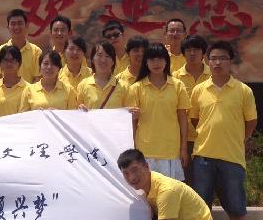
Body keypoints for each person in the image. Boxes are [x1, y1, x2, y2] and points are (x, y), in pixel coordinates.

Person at [190, 41, 258, 220]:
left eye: (222, 58)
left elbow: (251, 121)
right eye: (213, 58)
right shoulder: (199, 90)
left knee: (236, 204)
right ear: (208, 62)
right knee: (202, 204)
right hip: (203, 156)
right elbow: (195, 119)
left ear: (230, 62)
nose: (217, 62)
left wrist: (240, 139)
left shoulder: (243, 90)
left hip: (232, 157)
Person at [129, 43, 190, 180]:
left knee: (169, 191)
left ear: (166, 61)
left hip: (170, 150)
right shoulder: (136, 88)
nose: (156, 63)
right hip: (144, 150)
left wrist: (183, 148)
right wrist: (132, 148)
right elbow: (133, 122)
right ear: (146, 62)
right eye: (152, 59)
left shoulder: (178, 85)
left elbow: (182, 118)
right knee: (145, 190)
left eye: (160, 59)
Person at [172, 35, 210, 186]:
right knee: (185, 182)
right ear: (183, 53)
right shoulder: (175, 78)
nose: (192, 53)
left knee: (206, 184)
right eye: (188, 50)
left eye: (196, 49)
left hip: (208, 138)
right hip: (183, 139)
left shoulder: (214, 76)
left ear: (203, 52)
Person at [77, 41, 131, 110]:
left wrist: (133, 113)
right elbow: (75, 112)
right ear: (92, 59)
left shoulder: (124, 87)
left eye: (107, 56)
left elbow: (129, 113)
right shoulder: (83, 85)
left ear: (113, 61)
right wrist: (79, 110)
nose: (103, 60)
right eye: (99, 55)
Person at [0, 9, 42, 83]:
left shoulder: (36, 51)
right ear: (8, 27)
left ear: (26, 25)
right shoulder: (0, 51)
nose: (16, 27)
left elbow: (37, 79)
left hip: (29, 90)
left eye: (20, 23)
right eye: (13, 24)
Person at [0, 45, 28, 119]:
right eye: (5, 60)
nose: (9, 64)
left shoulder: (29, 89)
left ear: (19, 63)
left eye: (13, 60)